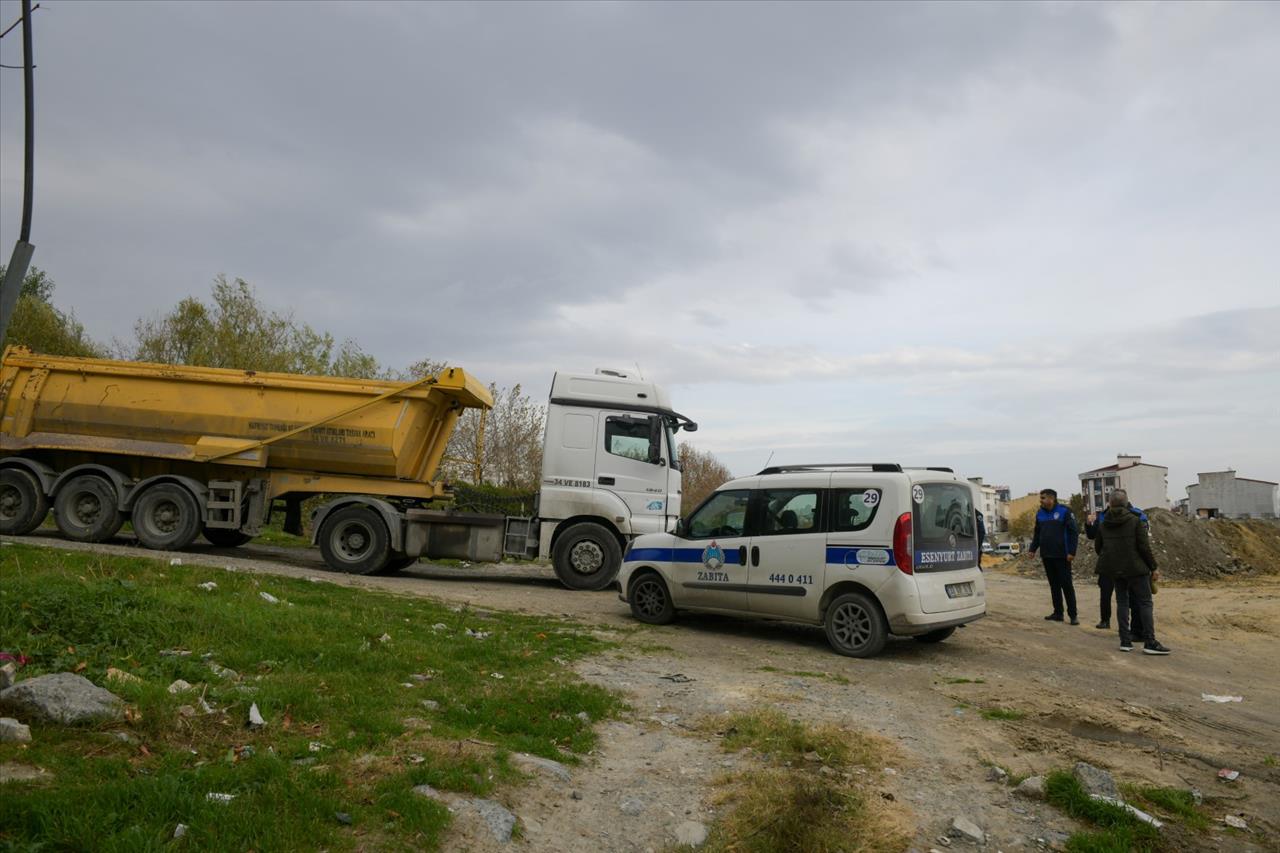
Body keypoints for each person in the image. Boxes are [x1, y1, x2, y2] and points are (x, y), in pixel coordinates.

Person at [1094, 492, 1170, 654]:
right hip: (1136, 569)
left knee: (1122, 602)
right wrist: (1153, 567)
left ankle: (1125, 641)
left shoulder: (1103, 523)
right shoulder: (1135, 521)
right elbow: (1144, 547)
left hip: (1115, 569)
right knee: (1145, 603)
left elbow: (1099, 548)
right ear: (1127, 503)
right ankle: (1149, 642)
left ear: (1110, 503)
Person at [1085, 489, 1148, 632]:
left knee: (1130, 598)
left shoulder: (1138, 514)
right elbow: (1093, 536)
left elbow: (1143, 540)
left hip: (1128, 563)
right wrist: (1089, 524)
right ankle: (1106, 620)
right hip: (1112, 562)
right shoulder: (1103, 516)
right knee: (1107, 593)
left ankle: (1134, 630)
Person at [1028, 488, 1079, 624]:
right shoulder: (1040, 514)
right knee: (1054, 585)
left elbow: (1074, 532)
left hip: (1062, 555)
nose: (1041, 500)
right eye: (1041, 498)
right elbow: (1037, 533)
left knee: (1066, 585)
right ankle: (1058, 613)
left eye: (1043, 498)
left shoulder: (1065, 512)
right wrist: (1033, 549)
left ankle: (1073, 615)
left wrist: (1071, 552)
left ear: (1051, 499)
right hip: (1047, 555)